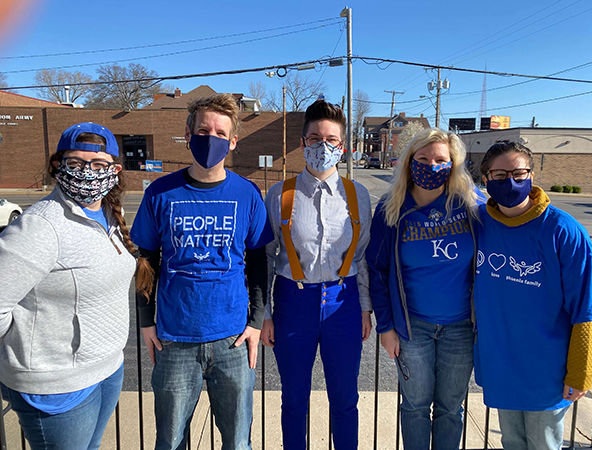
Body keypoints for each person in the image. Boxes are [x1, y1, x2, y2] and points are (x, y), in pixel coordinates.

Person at [130, 93, 273, 450]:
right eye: (204, 130)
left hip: (232, 338)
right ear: (188, 133)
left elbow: (258, 263)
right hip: (175, 339)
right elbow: (145, 259)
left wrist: (256, 321)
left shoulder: (247, 194)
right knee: (171, 440)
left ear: (233, 141)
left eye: (220, 133)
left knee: (238, 442)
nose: (211, 138)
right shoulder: (161, 192)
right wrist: (145, 320)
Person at [0, 122, 153, 450]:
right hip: (56, 385)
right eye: (76, 164)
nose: (88, 173)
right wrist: (27, 356)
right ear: (58, 166)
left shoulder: (110, 217)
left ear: (114, 170)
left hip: (107, 371)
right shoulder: (40, 227)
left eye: (98, 165)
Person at [260, 100, 372, 450]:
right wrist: (263, 314)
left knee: (345, 398)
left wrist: (365, 306)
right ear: (303, 142)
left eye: (331, 140)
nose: (322, 146)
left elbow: (363, 255)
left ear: (342, 145)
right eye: (314, 138)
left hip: (344, 301)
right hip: (294, 302)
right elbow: (265, 257)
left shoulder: (358, 195)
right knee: (294, 399)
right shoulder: (281, 194)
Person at [473, 141, 592, 449]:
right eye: (500, 175)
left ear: (531, 174)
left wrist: (582, 371)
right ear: (485, 179)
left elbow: (588, 305)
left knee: (543, 443)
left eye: (519, 173)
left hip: (546, 370)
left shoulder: (563, 230)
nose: (511, 182)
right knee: (512, 442)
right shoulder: (478, 223)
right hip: (500, 363)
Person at [366, 127, 484, 450]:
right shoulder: (391, 209)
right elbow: (377, 272)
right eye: (423, 159)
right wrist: (386, 327)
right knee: (415, 406)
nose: (431, 165)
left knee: (450, 409)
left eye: (440, 160)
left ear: (453, 164)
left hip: (460, 327)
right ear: (409, 162)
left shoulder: (471, 206)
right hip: (412, 326)